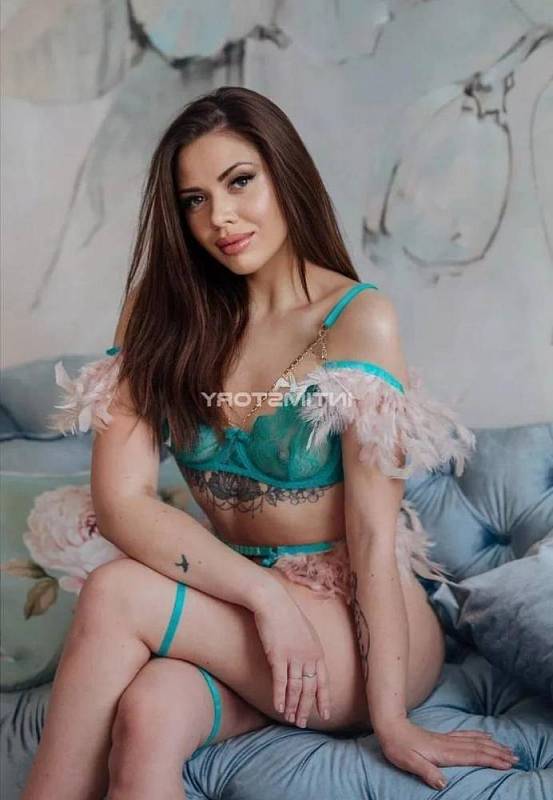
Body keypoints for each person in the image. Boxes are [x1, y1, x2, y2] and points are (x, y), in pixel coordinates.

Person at [22, 86, 517, 800]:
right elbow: (123, 502)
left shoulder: (357, 319)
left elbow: (372, 540)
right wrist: (265, 598)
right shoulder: (161, 319)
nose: (219, 218)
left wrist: (392, 723)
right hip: (244, 610)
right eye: (194, 200)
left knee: (115, 593)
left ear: (285, 174)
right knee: (149, 714)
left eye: (239, 182)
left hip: (354, 628)